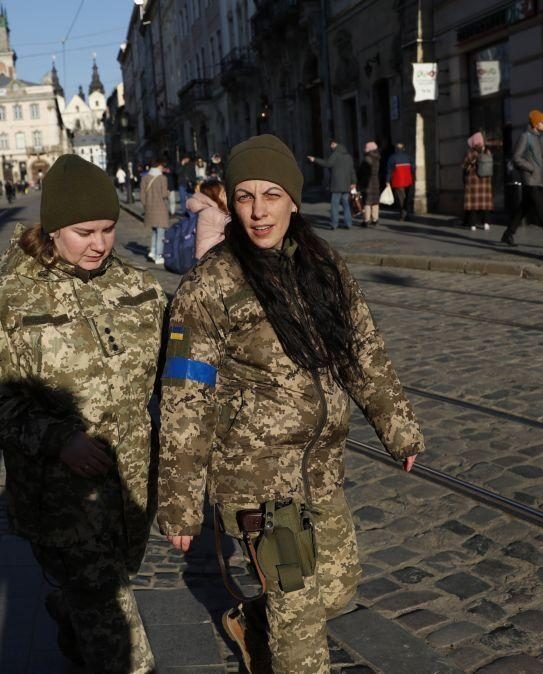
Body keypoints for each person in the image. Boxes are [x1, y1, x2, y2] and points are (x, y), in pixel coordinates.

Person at [158, 134, 424, 673]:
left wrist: (398, 427)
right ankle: (281, 637)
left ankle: (255, 620)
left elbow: (362, 351)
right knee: (302, 635)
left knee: (337, 590)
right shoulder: (207, 287)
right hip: (257, 480)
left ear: (294, 200)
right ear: (230, 202)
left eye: (272, 195)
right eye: (245, 197)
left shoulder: (323, 264)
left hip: (320, 468)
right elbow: (185, 397)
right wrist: (181, 501)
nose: (258, 212)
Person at [0, 154, 165, 674]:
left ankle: (72, 612)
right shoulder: (4, 302)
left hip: (133, 488)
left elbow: (174, 378)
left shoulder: (139, 288)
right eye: (83, 231)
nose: (98, 244)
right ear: (52, 228)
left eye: (108, 229)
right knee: (120, 638)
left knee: (104, 590)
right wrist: (58, 439)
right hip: (62, 501)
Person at [503, 110, 543, 249]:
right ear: (535, 123)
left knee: (524, 208)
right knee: (541, 211)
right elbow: (516, 158)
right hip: (530, 179)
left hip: (541, 179)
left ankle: (508, 234)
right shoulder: (525, 137)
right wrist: (531, 168)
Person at [307, 139, 357, 229]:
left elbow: (327, 164)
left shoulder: (335, 155)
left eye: (332, 144)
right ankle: (348, 223)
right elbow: (352, 170)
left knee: (335, 205)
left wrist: (315, 159)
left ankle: (334, 224)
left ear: (335, 144)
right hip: (347, 184)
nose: (331, 146)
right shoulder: (348, 156)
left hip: (336, 184)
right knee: (346, 204)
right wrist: (354, 182)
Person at [188, 176, 231, 259]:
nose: (226, 196)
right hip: (209, 257)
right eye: (223, 193)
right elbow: (233, 228)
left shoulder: (207, 209)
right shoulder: (212, 213)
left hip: (206, 254)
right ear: (215, 196)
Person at [462, 132, 493, 231]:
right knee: (485, 204)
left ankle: (473, 225)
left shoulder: (470, 152)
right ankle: (486, 223)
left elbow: (464, 166)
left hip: (473, 182)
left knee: (472, 205)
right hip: (485, 182)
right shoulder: (487, 152)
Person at [142, 157, 170, 264]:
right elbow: (164, 194)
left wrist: (146, 205)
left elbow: (142, 195)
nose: (163, 168)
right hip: (160, 208)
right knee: (161, 232)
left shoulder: (145, 178)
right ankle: (159, 255)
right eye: (162, 166)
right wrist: (168, 192)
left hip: (150, 207)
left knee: (154, 230)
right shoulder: (162, 178)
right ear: (159, 166)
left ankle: (152, 252)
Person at [385, 141, 414, 221]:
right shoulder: (408, 157)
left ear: (396, 149)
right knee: (407, 198)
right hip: (408, 180)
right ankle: (407, 214)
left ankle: (404, 215)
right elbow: (413, 168)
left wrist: (387, 181)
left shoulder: (392, 158)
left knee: (401, 198)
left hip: (398, 181)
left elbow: (389, 171)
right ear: (403, 149)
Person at [356, 141, 382, 226]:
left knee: (367, 202)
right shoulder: (377, 158)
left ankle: (366, 220)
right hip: (376, 181)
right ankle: (375, 218)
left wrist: (359, 181)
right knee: (375, 201)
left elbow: (362, 172)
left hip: (368, 182)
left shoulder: (367, 159)